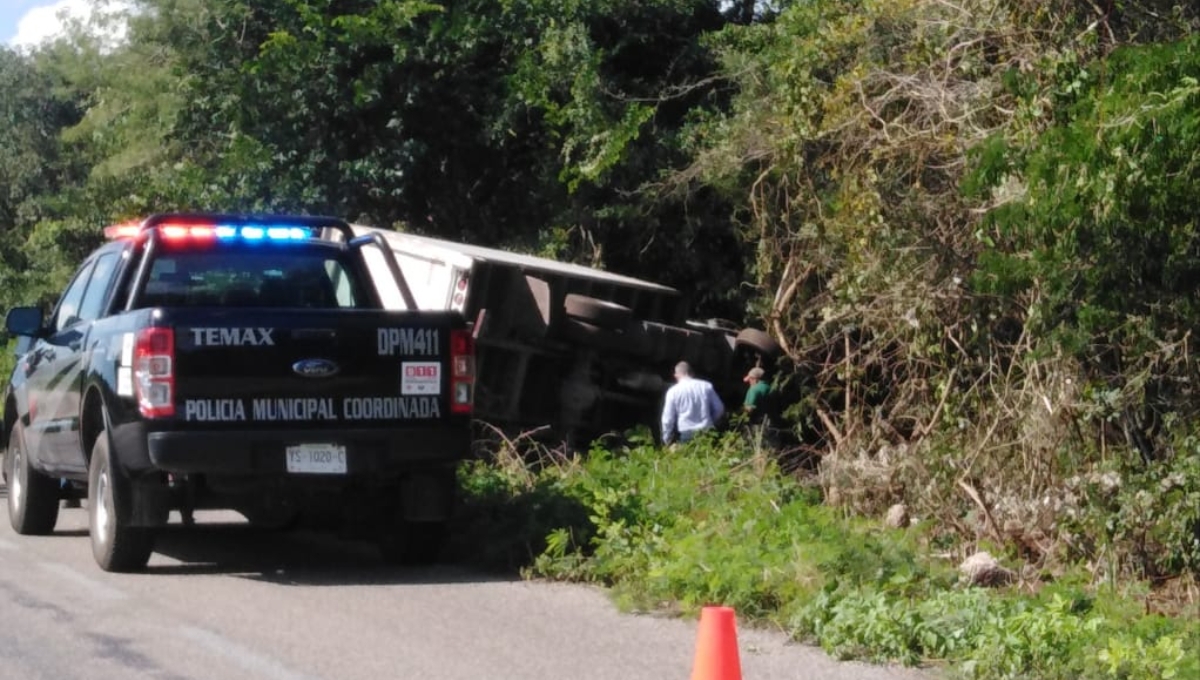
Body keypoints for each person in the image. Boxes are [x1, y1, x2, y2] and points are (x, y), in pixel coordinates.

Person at [660, 361, 725, 444]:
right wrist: (711, 421)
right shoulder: (706, 386)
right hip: (707, 432)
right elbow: (719, 408)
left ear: (676, 375)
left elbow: (667, 419)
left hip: (686, 434)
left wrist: (667, 438)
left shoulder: (673, 391)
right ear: (691, 373)